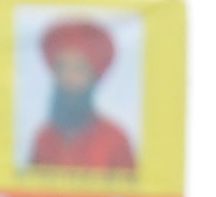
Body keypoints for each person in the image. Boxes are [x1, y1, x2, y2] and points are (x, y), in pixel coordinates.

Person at [26, 17, 137, 172]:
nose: (68, 77)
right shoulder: (43, 139)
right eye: (62, 68)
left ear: (92, 76)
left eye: (78, 69)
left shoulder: (115, 140)